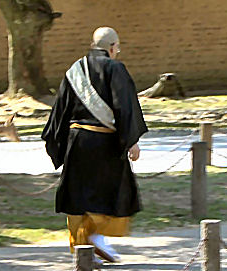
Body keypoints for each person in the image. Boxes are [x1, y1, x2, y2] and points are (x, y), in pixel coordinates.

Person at [42, 26, 148, 264]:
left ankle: (82, 245)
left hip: (76, 141)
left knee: (78, 193)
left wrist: (59, 144)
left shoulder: (74, 69)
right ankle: (97, 238)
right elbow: (125, 105)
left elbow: (60, 109)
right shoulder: (115, 68)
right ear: (112, 47)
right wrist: (132, 141)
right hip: (105, 143)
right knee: (111, 189)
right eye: (117, 47)